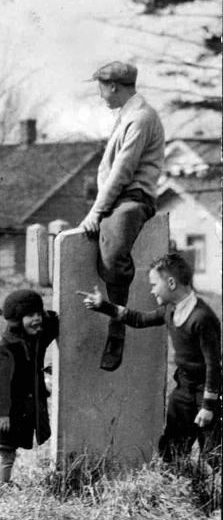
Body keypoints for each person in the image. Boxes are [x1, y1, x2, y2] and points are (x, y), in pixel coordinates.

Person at [80, 253, 220, 471]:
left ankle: (214, 498)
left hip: (207, 391)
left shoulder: (202, 317)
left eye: (155, 284)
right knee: (173, 444)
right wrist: (104, 306)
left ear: (171, 283)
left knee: (213, 451)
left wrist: (208, 406)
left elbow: (214, 364)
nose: (152, 290)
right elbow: (138, 319)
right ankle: (181, 487)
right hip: (184, 387)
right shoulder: (169, 310)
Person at [79, 61, 165, 372]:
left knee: (114, 253)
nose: (100, 95)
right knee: (99, 249)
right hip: (119, 198)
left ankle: (117, 329)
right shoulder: (127, 115)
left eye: (101, 88)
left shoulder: (141, 117)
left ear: (113, 86)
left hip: (133, 199)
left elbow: (122, 172)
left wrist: (95, 212)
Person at [0, 289, 59, 486]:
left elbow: (48, 325)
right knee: (6, 456)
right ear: (16, 320)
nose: (37, 319)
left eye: (38, 314)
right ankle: (2, 488)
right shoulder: (6, 349)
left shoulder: (32, 339)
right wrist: (1, 413)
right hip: (6, 415)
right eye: (30, 315)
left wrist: (54, 315)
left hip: (17, 412)